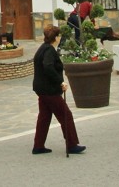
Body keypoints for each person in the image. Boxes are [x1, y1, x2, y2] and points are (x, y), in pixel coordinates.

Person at [32, 24, 86, 156]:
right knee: (66, 115)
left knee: (44, 117)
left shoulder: (42, 48)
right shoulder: (49, 50)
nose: (60, 37)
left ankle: (38, 146)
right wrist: (60, 81)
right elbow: (48, 67)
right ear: (55, 37)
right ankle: (72, 144)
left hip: (41, 89)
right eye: (59, 35)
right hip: (49, 90)